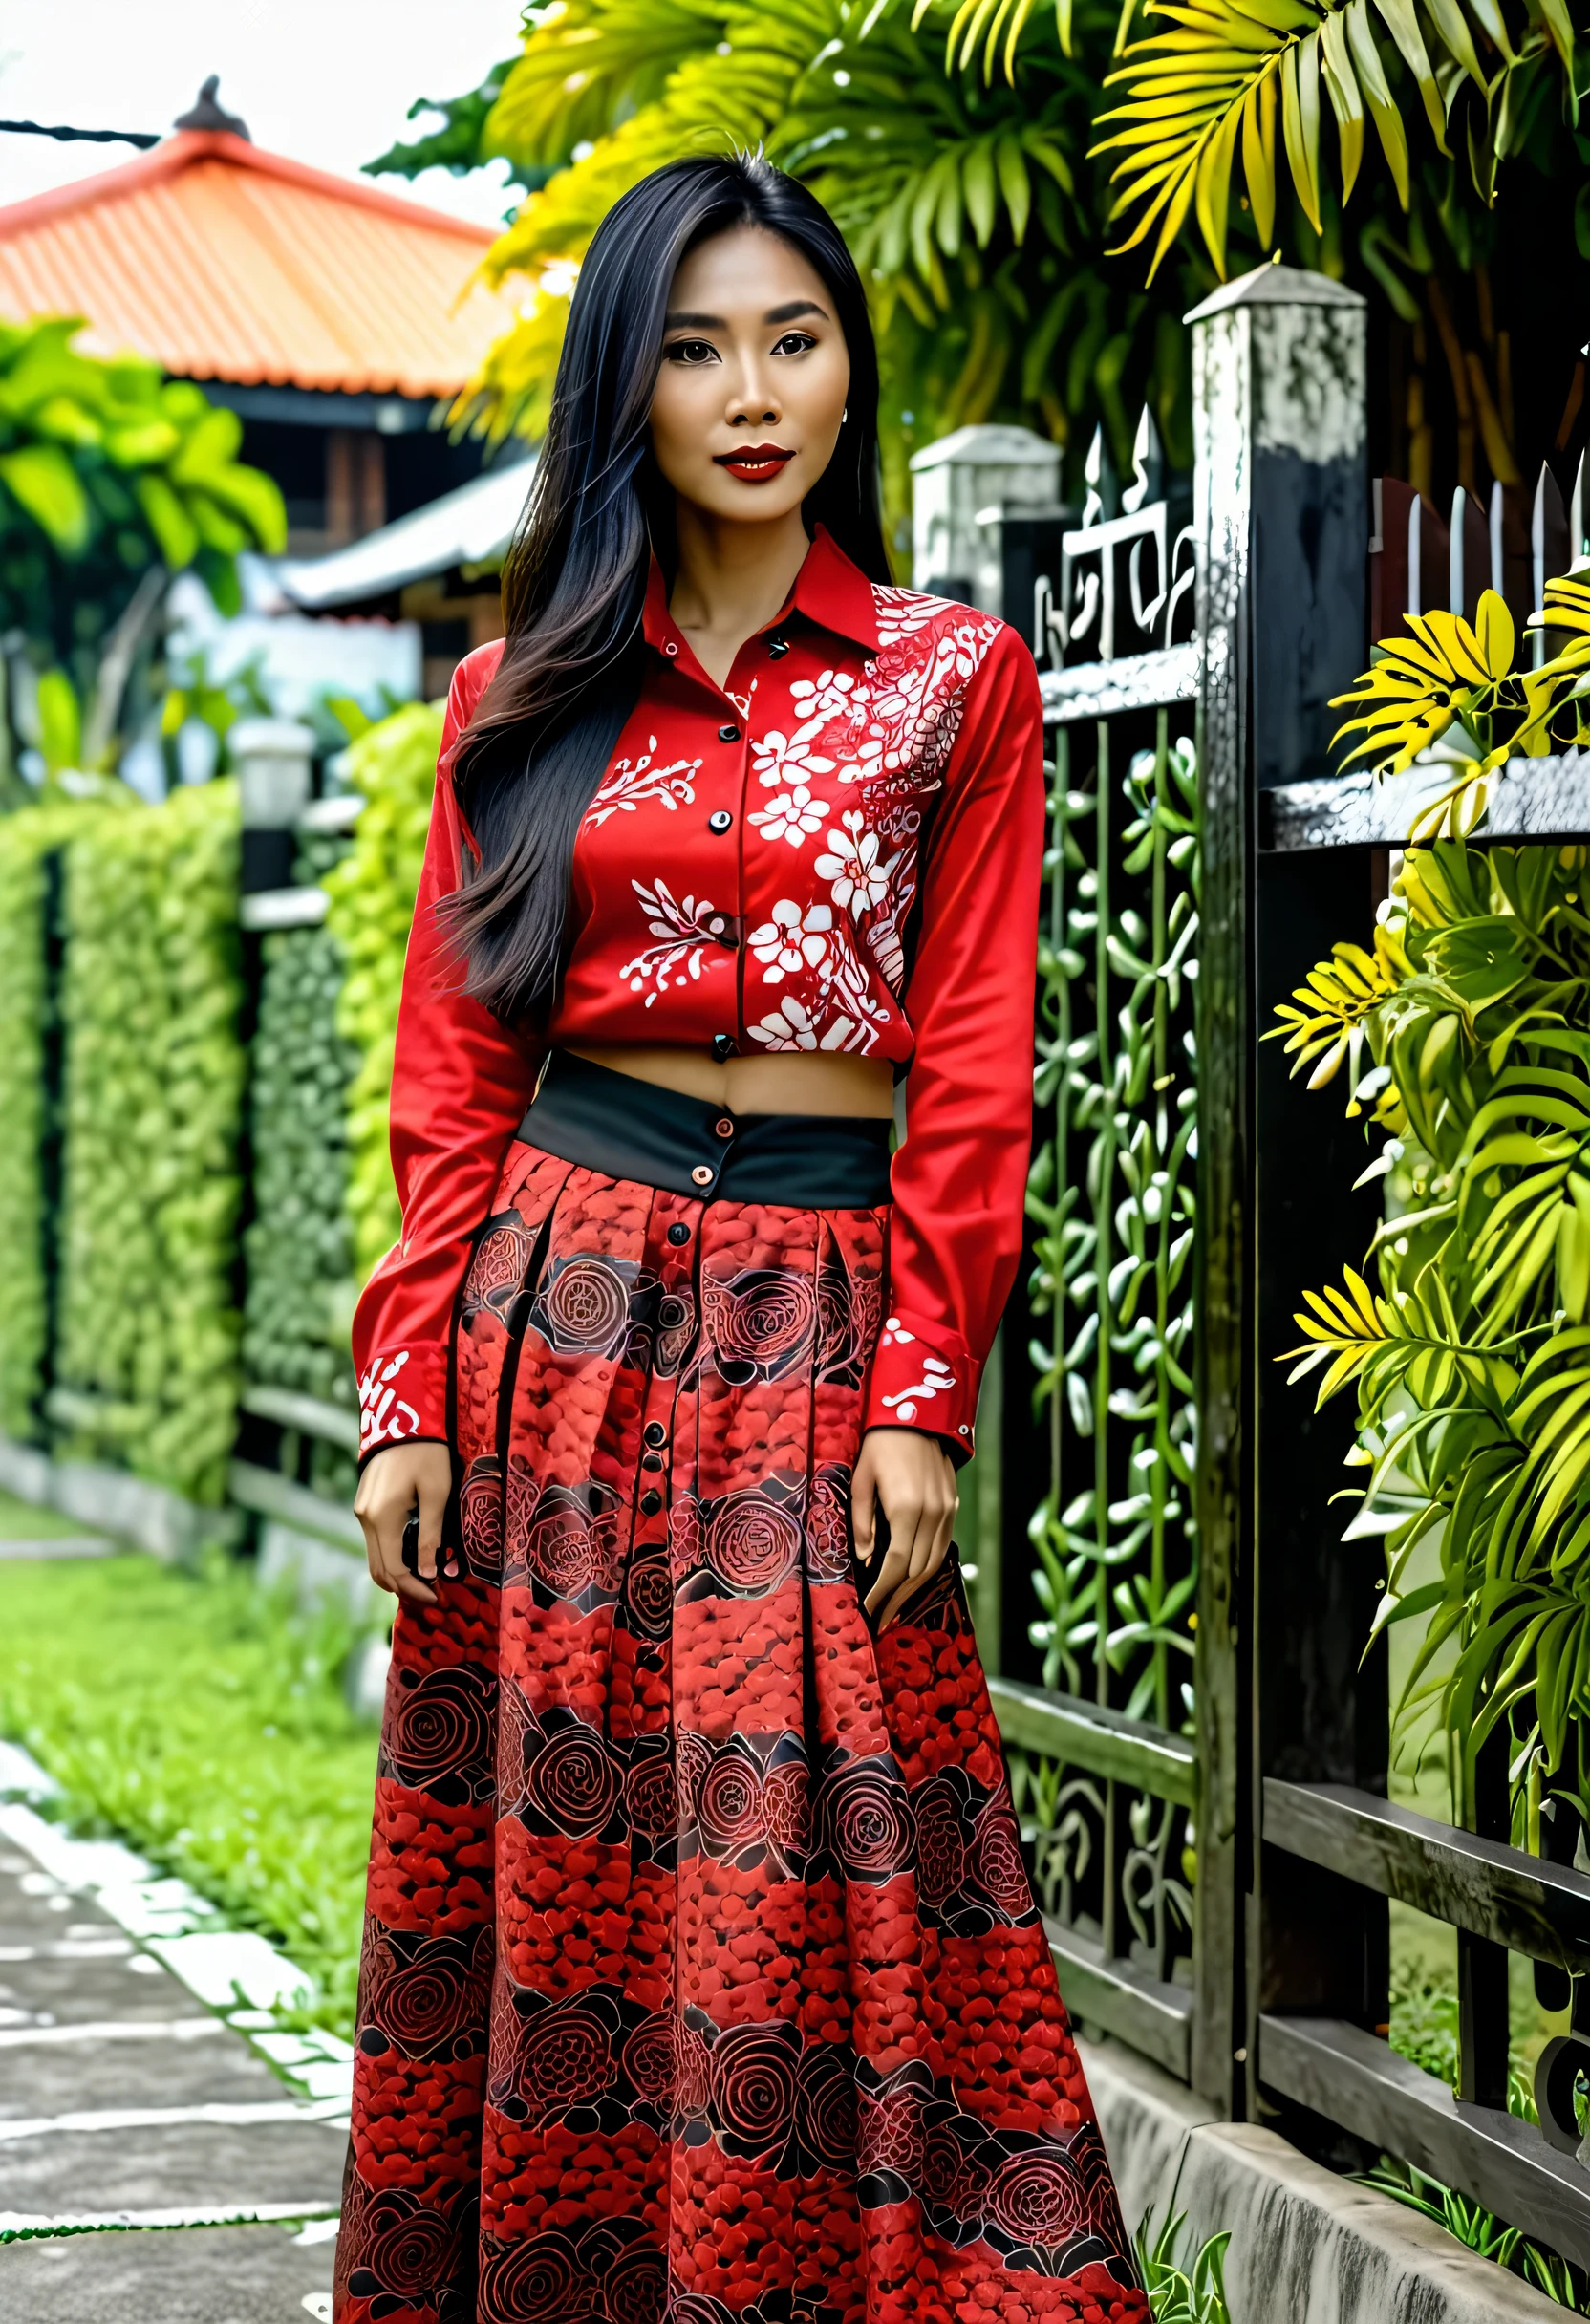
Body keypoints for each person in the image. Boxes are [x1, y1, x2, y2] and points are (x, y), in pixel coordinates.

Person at [334, 152, 1146, 2324]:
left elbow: (973, 1067)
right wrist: (411, 1387)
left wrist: (923, 1394)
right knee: (577, 1868)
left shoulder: (949, 682)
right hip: (561, 1320)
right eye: (695, 347)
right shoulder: (514, 702)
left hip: (816, 1311)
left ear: (848, 366)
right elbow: (453, 1076)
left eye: (793, 336)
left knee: (828, 1859)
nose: (752, 388)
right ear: (631, 386)